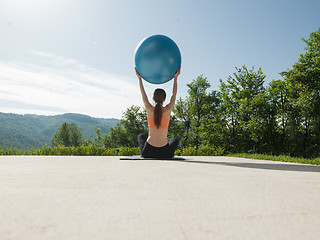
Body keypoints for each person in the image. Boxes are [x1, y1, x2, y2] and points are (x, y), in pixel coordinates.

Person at [135, 67, 181, 158]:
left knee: (141, 136)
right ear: (164, 99)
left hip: (147, 152)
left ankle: (142, 153)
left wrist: (139, 79)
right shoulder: (167, 110)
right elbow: (174, 95)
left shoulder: (149, 109)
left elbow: (143, 94)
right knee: (175, 140)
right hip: (165, 152)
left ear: (153, 98)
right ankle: (171, 154)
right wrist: (175, 78)